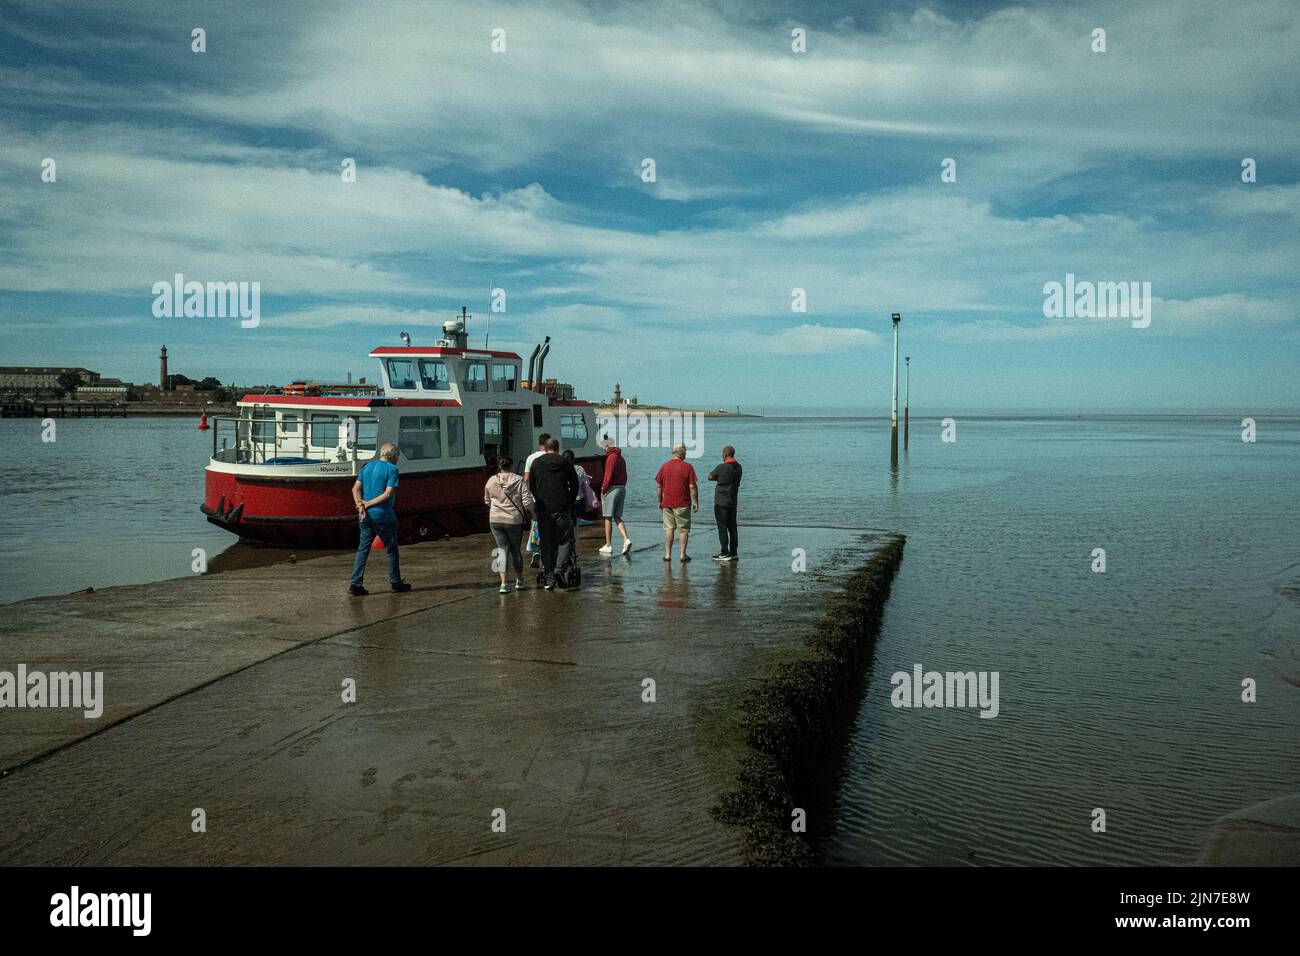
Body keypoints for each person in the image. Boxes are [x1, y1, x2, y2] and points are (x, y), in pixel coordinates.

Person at [349, 442, 412, 595]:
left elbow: (355, 488)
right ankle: (395, 582)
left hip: (365, 516)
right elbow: (387, 494)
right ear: (394, 456)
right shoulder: (392, 469)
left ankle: (355, 584)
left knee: (363, 549)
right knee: (391, 550)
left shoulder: (367, 467)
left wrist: (360, 505)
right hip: (383, 516)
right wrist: (368, 504)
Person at [528, 437, 579, 590]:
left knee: (546, 543)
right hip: (562, 508)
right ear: (558, 448)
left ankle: (549, 579)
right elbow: (574, 485)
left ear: (544, 447)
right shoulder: (565, 463)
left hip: (543, 509)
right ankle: (559, 569)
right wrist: (569, 501)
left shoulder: (536, 463)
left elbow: (531, 485)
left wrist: (539, 499)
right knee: (564, 541)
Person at [484, 456, 534, 593]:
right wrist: (532, 514)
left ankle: (504, 584)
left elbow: (487, 500)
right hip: (513, 519)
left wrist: (496, 509)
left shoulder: (491, 480)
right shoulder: (519, 480)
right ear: (511, 466)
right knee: (515, 550)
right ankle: (519, 580)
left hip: (495, 519)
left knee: (501, 550)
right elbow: (527, 501)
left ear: (500, 466)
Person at [654, 443, 698, 563]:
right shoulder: (688, 467)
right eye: (685, 452)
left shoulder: (665, 466)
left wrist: (660, 501)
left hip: (667, 503)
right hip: (682, 503)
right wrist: (696, 502)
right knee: (683, 530)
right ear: (682, 453)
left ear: (673, 452)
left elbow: (659, 486)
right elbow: (692, 486)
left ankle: (667, 554)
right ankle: (682, 555)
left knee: (669, 528)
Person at [707, 445, 742, 561]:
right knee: (733, 527)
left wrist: (719, 479)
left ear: (725, 454)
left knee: (722, 527)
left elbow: (710, 476)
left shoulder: (722, 467)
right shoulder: (739, 467)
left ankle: (724, 552)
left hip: (721, 501)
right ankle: (733, 552)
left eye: (722, 454)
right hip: (733, 500)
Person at [598, 439, 632, 556]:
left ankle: (608, 545)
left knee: (607, 517)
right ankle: (626, 539)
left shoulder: (611, 458)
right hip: (622, 488)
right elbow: (625, 475)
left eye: (604, 447)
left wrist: (603, 490)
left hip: (612, 488)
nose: (604, 449)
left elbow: (608, 475)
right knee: (617, 516)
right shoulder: (621, 458)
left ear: (608, 446)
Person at [522, 433, 551, 568]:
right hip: (551, 497)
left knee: (535, 525)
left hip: (535, 497)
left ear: (539, 443)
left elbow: (526, 479)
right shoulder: (554, 456)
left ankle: (535, 552)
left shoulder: (531, 458)